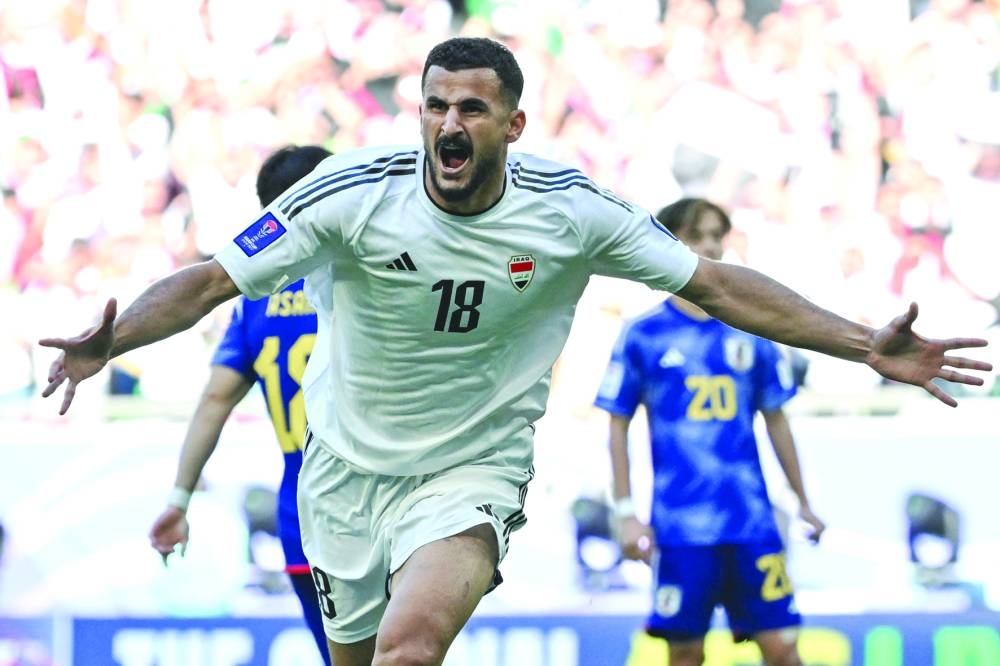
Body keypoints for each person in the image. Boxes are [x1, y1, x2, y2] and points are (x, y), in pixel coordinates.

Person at [39, 37, 991, 666]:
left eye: (472, 109)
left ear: (513, 124)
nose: (450, 125)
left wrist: (865, 343)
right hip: (341, 478)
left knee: (411, 651)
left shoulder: (570, 210)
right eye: (435, 107)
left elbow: (716, 285)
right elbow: (209, 281)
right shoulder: (350, 194)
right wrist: (109, 341)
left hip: (470, 472)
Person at [594, 198, 825, 666]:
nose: (711, 246)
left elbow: (777, 419)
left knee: (783, 649)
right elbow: (617, 425)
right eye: (697, 235)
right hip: (681, 530)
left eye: (717, 236)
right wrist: (626, 513)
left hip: (752, 522)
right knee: (685, 655)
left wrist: (803, 500)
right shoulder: (643, 335)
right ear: (668, 243)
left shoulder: (751, 329)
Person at [147, 145, 332, 664]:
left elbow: (215, 399)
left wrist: (180, 497)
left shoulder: (257, 299)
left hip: (301, 513)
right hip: (376, 507)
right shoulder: (365, 281)